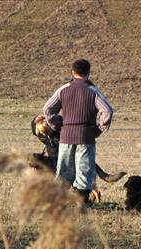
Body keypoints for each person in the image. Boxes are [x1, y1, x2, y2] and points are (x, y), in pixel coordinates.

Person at [43, 59, 113, 204]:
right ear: (89, 72)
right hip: (86, 137)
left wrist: (58, 125)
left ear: (72, 72)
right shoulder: (93, 91)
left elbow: (47, 110)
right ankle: (82, 203)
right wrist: (100, 128)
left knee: (63, 172)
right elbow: (107, 111)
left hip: (66, 136)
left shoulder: (63, 89)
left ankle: (58, 202)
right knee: (84, 171)